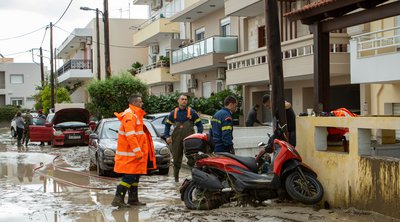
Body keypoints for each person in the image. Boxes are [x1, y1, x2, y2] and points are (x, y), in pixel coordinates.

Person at [111, 95, 157, 207]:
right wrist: (138, 152)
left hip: (134, 155)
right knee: (129, 177)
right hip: (130, 155)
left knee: (135, 177)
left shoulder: (135, 115)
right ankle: (118, 199)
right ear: (135, 102)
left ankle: (133, 199)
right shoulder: (130, 116)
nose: (142, 104)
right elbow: (131, 136)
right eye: (141, 102)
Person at [164, 94, 204, 182]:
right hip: (176, 139)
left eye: (185, 99)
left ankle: (195, 179)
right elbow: (167, 125)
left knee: (192, 158)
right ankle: (176, 180)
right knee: (176, 159)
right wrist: (167, 136)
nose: (184, 101)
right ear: (178, 101)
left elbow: (199, 125)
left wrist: (199, 136)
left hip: (189, 139)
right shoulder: (173, 113)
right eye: (182, 99)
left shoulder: (192, 112)